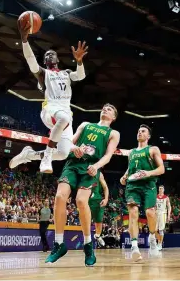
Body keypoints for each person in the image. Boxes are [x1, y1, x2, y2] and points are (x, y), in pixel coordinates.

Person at [45, 104, 120, 266]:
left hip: (91, 168)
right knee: (59, 197)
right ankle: (59, 244)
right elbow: (69, 143)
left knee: (80, 201)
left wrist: (97, 166)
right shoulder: (86, 125)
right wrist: (74, 148)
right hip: (72, 164)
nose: (105, 109)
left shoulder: (113, 133)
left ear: (113, 117)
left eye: (110, 109)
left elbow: (108, 155)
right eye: (104, 108)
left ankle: (88, 245)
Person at [9, 20, 88, 174]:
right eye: (47, 56)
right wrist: (24, 40)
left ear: (58, 60)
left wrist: (79, 61)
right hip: (50, 109)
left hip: (65, 113)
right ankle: (46, 158)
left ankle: (29, 155)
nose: (50, 55)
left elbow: (80, 75)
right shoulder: (44, 74)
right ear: (45, 62)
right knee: (63, 119)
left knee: (64, 153)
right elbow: (31, 60)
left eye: (52, 54)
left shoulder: (66, 73)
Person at [120, 124, 165, 261]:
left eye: (143, 131)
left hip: (148, 185)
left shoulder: (152, 149)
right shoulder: (131, 152)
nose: (140, 132)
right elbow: (130, 169)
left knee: (150, 213)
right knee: (133, 213)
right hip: (133, 186)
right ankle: (134, 247)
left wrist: (148, 173)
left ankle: (152, 238)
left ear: (148, 136)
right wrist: (125, 176)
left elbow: (161, 169)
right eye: (138, 131)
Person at [89, 171, 109, 247]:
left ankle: (97, 236)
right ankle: (87, 241)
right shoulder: (82, 170)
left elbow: (105, 187)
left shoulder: (99, 173)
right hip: (86, 199)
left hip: (97, 200)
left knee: (99, 221)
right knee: (87, 220)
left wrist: (106, 199)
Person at [155, 185, 171, 251]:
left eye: (162, 188)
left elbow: (169, 207)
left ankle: (160, 244)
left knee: (161, 230)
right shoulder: (155, 197)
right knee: (155, 230)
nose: (160, 189)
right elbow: (154, 206)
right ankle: (157, 242)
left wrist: (169, 215)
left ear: (164, 190)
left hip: (163, 213)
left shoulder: (166, 197)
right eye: (159, 188)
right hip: (156, 213)